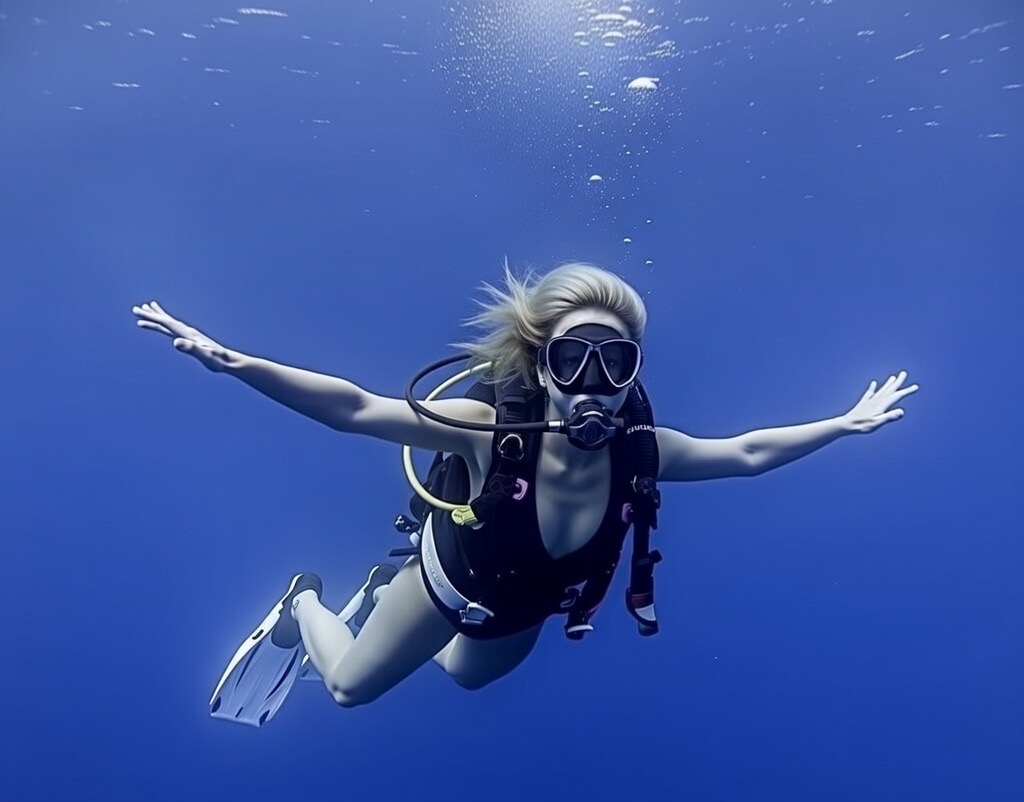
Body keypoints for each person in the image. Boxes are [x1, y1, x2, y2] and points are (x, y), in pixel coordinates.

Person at [132, 262, 917, 724]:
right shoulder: (484, 429)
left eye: (616, 365)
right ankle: (304, 604)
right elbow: (356, 407)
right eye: (573, 360)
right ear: (540, 367)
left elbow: (745, 453)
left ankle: (371, 597)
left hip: (520, 610)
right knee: (348, 689)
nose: (593, 387)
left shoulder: (643, 454)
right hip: (448, 586)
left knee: (467, 677)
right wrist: (232, 361)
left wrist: (843, 424)